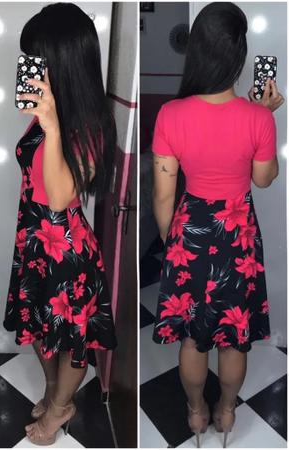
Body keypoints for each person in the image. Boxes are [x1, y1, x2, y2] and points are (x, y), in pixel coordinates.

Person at [151, 2, 284, 448]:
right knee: (233, 339)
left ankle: (196, 411)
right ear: (238, 57)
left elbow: (163, 195)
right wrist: (266, 116)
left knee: (193, 339)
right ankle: (227, 409)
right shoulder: (258, 118)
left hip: (189, 231)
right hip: (237, 235)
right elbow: (263, 180)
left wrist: (173, 241)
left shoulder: (171, 114)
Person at [3, 3, 117, 446]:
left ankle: (60, 408)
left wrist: (51, 126)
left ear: (64, 61)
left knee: (71, 339)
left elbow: (57, 197)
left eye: (38, 58)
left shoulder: (90, 125)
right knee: (36, 323)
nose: (31, 67)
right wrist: (47, 118)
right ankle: (53, 390)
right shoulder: (50, 110)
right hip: (32, 239)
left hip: (65, 249)